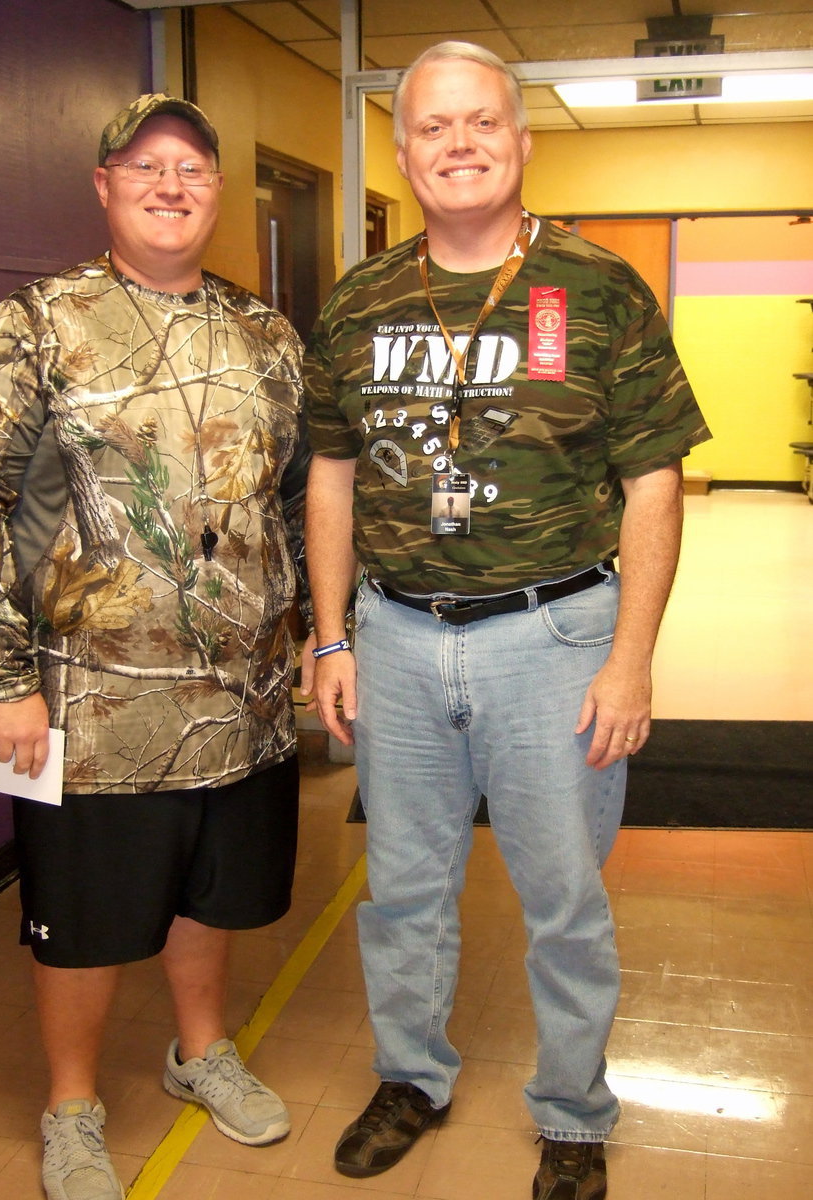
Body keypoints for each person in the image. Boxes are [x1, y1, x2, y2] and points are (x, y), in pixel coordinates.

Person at [302, 42, 710, 1200]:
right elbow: (329, 476)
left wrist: (631, 659)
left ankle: (574, 1114)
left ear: (523, 143)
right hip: (395, 638)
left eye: (484, 122)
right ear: (402, 152)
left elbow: (654, 481)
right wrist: (329, 633)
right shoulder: (357, 299)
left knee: (565, 899)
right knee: (404, 887)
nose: (461, 144)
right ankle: (411, 1077)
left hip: (556, 639)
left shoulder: (597, 288)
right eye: (434, 128)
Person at [0, 93, 310, 1200]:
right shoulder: (38, 327)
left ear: (217, 190)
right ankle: (72, 1109)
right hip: (92, 702)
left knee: (214, 895)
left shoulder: (266, 336)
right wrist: (5, 680)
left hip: (241, 697)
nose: (170, 184)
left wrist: (311, 640)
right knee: (87, 923)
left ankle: (201, 1055)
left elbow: (292, 505)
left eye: (192, 166)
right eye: (144, 165)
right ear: (103, 186)